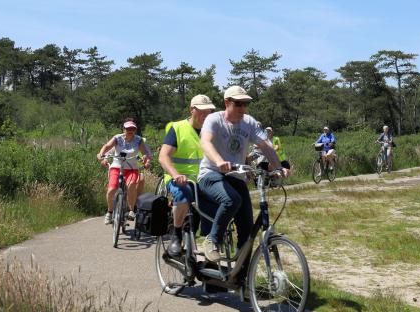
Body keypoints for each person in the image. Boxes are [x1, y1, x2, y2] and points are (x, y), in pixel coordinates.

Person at [198, 86, 289, 262]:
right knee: (231, 200)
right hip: (211, 173)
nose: (242, 108)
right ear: (227, 103)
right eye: (238, 104)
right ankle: (212, 240)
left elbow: (265, 146)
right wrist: (218, 161)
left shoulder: (249, 122)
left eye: (245, 104)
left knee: (247, 230)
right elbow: (206, 142)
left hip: (236, 177)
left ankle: (242, 279)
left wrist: (278, 167)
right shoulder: (213, 119)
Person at [158, 95, 216, 256]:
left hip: (204, 179)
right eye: (202, 111)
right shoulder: (177, 128)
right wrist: (176, 174)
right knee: (184, 195)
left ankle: (210, 243)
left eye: (209, 111)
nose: (206, 114)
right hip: (179, 178)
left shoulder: (212, 130)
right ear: (192, 110)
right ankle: (176, 235)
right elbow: (163, 156)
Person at [97, 119, 152, 225]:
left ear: (135, 130)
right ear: (124, 129)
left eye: (132, 129)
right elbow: (107, 147)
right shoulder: (117, 138)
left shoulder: (138, 140)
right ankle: (109, 212)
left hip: (131, 168)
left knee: (131, 185)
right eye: (128, 129)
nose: (130, 131)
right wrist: (102, 156)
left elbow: (145, 153)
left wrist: (147, 160)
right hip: (116, 167)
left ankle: (131, 210)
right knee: (112, 189)